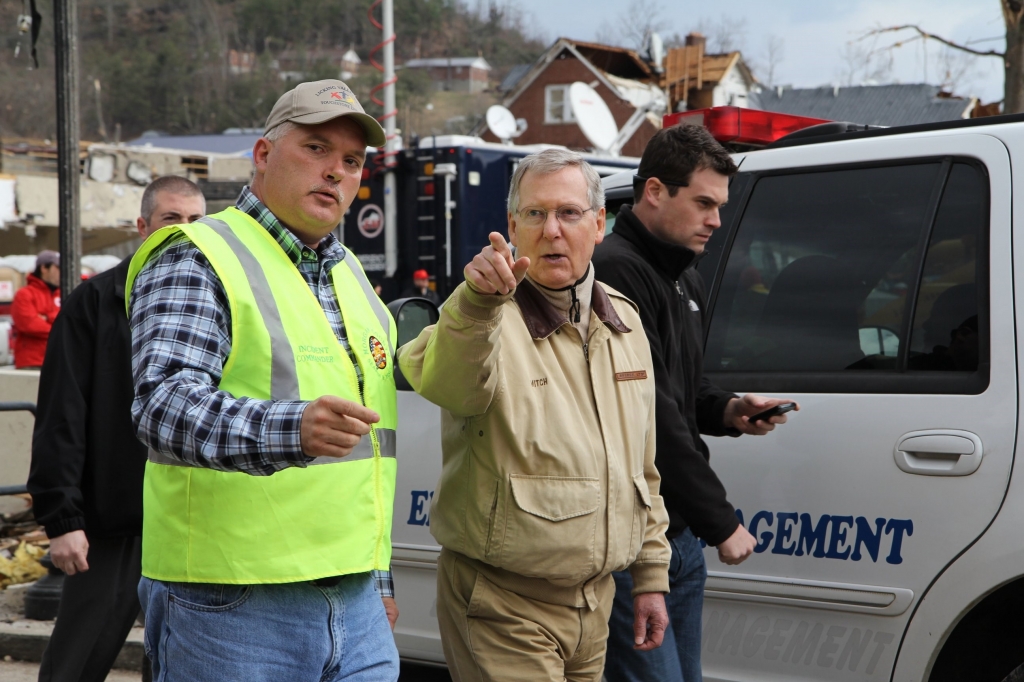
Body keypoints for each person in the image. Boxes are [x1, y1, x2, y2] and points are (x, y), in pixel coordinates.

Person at [128, 80, 400, 682]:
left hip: (355, 605)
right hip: (231, 606)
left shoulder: (349, 272)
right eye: (317, 148)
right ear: (263, 153)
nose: (336, 171)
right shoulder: (196, 254)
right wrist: (292, 429)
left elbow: (371, 458)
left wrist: (375, 580)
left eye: (351, 161)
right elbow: (163, 406)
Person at [398, 148, 671, 682]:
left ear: (598, 225)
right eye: (535, 214)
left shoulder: (625, 321)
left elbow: (643, 468)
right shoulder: (480, 314)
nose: (551, 230)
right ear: (511, 225)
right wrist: (476, 302)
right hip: (502, 604)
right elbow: (448, 383)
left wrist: (651, 575)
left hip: (595, 607)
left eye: (568, 213)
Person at [594, 124, 798, 682]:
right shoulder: (616, 271)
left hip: (675, 540)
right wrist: (721, 521)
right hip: (636, 542)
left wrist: (728, 409)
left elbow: (683, 390)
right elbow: (649, 417)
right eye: (704, 203)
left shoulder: (684, 276)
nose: (716, 220)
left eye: (720, 205)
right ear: (655, 191)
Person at [28, 175, 206, 682]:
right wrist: (63, 518)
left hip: (194, 523)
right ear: (142, 225)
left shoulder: (223, 301)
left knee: (179, 666)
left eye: (196, 221)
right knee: (76, 664)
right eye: (172, 218)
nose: (184, 230)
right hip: (112, 523)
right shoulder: (93, 302)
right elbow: (62, 414)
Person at [12, 250, 61, 369]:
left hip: (59, 360)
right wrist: (60, 330)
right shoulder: (25, 294)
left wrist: (48, 317)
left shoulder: (64, 294)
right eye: (57, 267)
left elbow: (72, 320)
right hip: (32, 362)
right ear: (44, 268)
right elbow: (30, 324)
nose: (61, 271)